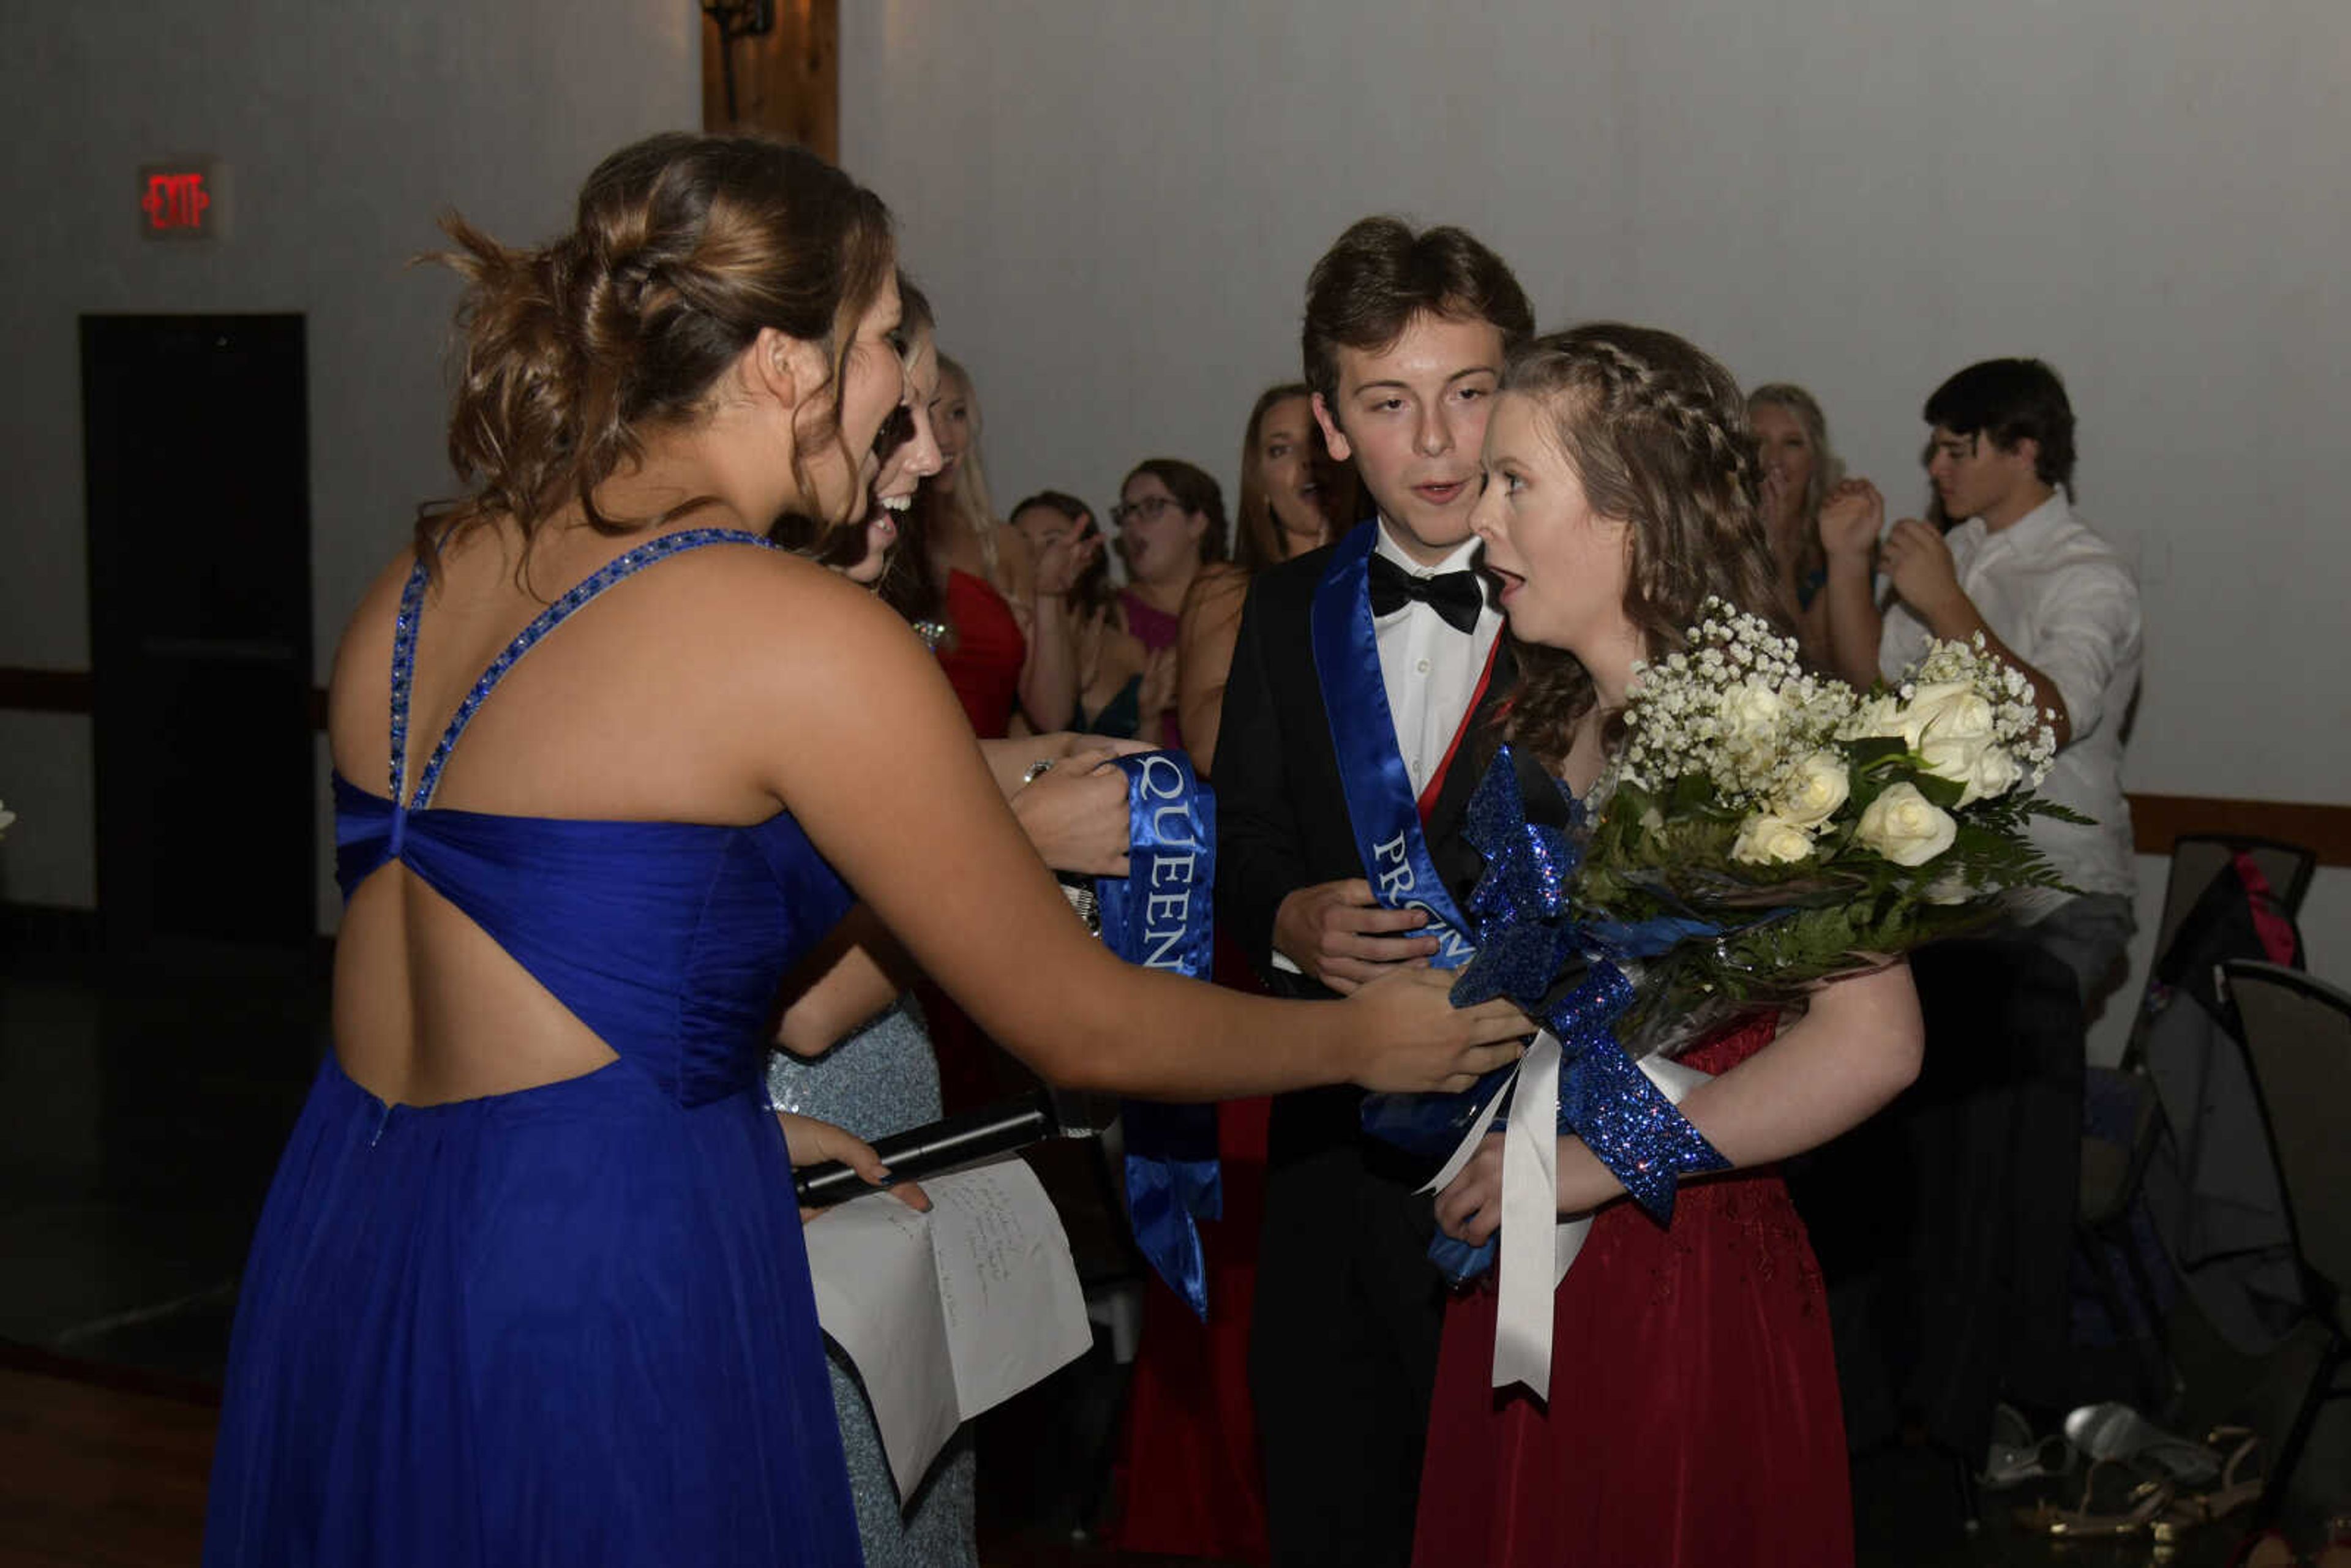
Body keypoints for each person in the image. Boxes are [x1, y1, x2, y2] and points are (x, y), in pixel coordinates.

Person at [201, 132, 1528, 1567]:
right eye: (888, 337)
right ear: (785, 362)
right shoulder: (793, 628)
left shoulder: (418, 578)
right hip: (598, 1277)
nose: (918, 408)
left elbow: (489, 971)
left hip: (352, 1218)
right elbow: (1077, 1019)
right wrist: (1360, 1043)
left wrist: (736, 1125)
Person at [1411, 322, 1925, 1568]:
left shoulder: (1759, 737)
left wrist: (1598, 1163)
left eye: (1516, 481)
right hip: (1543, 1225)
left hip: (1680, 1260)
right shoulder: (1560, 706)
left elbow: (1878, 1042)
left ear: (1634, 509)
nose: (1481, 518)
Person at [1214, 214, 1534, 1568]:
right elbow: (1242, 836)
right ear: (1331, 426)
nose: (1443, 443)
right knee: (1335, 1483)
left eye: (1471, 394)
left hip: (1530, 1143)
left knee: (1505, 1503)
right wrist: (1284, 913)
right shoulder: (1290, 610)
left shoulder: (1582, 595)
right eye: (1391, 405)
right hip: (1332, 1141)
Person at [1818, 358, 2141, 1016]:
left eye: (1957, 450)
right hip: (1952, 887)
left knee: (2016, 1107)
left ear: (2024, 451)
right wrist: (1849, 562)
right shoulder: (1957, 550)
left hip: (2060, 894)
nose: (1936, 468)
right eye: (1936, 449)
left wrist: (1947, 605)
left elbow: (2047, 723)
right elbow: (1875, 693)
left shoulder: (2088, 574)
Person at [883, 355, 1086, 737]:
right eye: (929, 413)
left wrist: (1049, 597)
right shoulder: (868, 540)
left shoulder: (1002, 545)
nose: (944, 436)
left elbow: (1053, 715)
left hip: (987, 782)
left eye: (957, 415)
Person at [1177, 383, 1356, 776]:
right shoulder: (1224, 590)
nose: (1306, 460)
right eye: (1280, 449)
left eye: (1316, 441)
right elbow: (1209, 746)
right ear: (1262, 487)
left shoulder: (1395, 578)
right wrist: (1308, 596)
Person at [1007, 490, 1168, 740]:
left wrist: (1149, 717)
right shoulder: (1007, 637)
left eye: (1053, 542)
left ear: (1089, 553)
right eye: (1023, 543)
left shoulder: (1127, 647)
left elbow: (1152, 760)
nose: (1040, 557)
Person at [1109, 458, 1226, 749]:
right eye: (1126, 512)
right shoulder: (1113, 615)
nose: (1132, 523)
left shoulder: (1235, 603)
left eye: (1152, 507)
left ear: (1197, 522)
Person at [1747, 381, 1845, 665]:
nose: (1774, 459)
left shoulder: (1836, 543)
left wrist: (1776, 549)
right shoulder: (1710, 531)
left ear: (1814, 458)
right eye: (1759, 442)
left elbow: (1814, 663)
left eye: (1792, 443)